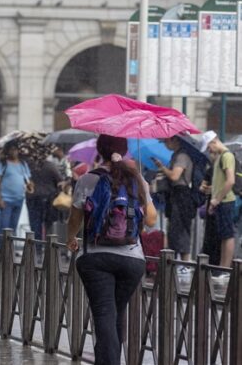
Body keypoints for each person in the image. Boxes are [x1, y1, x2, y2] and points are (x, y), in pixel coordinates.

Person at [66, 134, 157, 365]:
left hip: (96, 258)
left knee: (105, 313)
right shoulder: (137, 180)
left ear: (100, 151)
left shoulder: (88, 179)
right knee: (116, 311)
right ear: (124, 151)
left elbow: (75, 217)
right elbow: (151, 221)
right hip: (133, 261)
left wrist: (71, 238)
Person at [153, 135, 194, 266]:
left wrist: (162, 167)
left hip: (182, 195)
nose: (165, 144)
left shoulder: (182, 156)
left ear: (175, 140)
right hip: (175, 195)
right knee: (174, 231)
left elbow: (175, 176)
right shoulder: (175, 155)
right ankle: (177, 263)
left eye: (166, 140)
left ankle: (185, 264)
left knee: (181, 230)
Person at [204, 132, 237, 273]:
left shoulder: (227, 156)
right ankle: (223, 266)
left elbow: (230, 181)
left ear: (214, 141)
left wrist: (217, 199)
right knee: (223, 235)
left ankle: (225, 267)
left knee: (227, 235)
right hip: (220, 201)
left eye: (209, 147)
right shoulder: (220, 158)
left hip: (225, 201)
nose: (209, 150)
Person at [0, 141, 33, 233]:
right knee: (4, 226)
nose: (13, 152)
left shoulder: (23, 164)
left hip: (19, 199)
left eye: (15, 149)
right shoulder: (3, 164)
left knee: (13, 227)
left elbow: (28, 180)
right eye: (11, 150)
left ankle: (10, 247)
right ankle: (2, 247)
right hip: (6, 200)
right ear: (7, 151)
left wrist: (30, 185)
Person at [25, 158, 62, 242]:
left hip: (32, 197)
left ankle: (37, 246)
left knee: (35, 224)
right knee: (48, 223)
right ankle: (48, 245)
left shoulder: (28, 166)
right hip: (48, 197)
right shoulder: (50, 165)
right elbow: (59, 180)